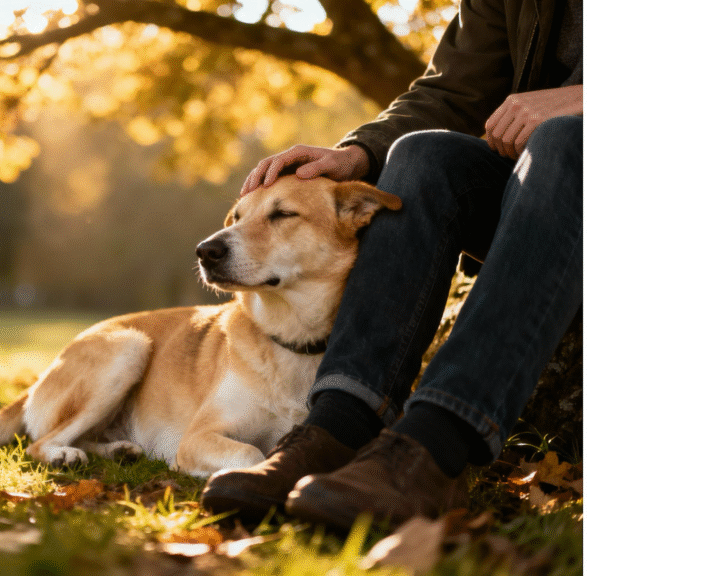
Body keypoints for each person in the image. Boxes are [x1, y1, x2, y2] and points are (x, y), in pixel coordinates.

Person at [200, 0, 582, 530]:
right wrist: (356, 154)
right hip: (542, 189)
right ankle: (341, 424)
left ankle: (436, 448)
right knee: (422, 155)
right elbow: (451, 90)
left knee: (565, 140)